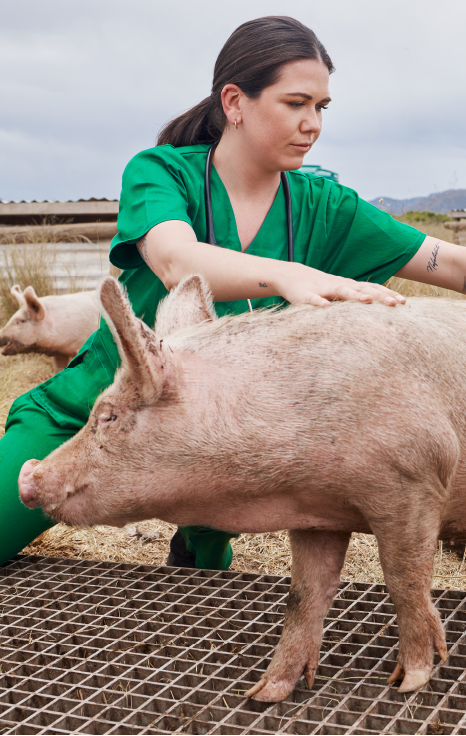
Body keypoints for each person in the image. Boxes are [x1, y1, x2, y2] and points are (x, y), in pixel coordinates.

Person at [2, 16, 466, 570]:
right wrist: (292, 275)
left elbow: (450, 262)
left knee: (203, 590)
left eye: (321, 107)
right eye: (295, 103)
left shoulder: (324, 206)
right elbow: (176, 261)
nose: (312, 123)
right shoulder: (162, 173)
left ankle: (199, 540)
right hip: (91, 416)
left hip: (212, 448)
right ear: (235, 101)